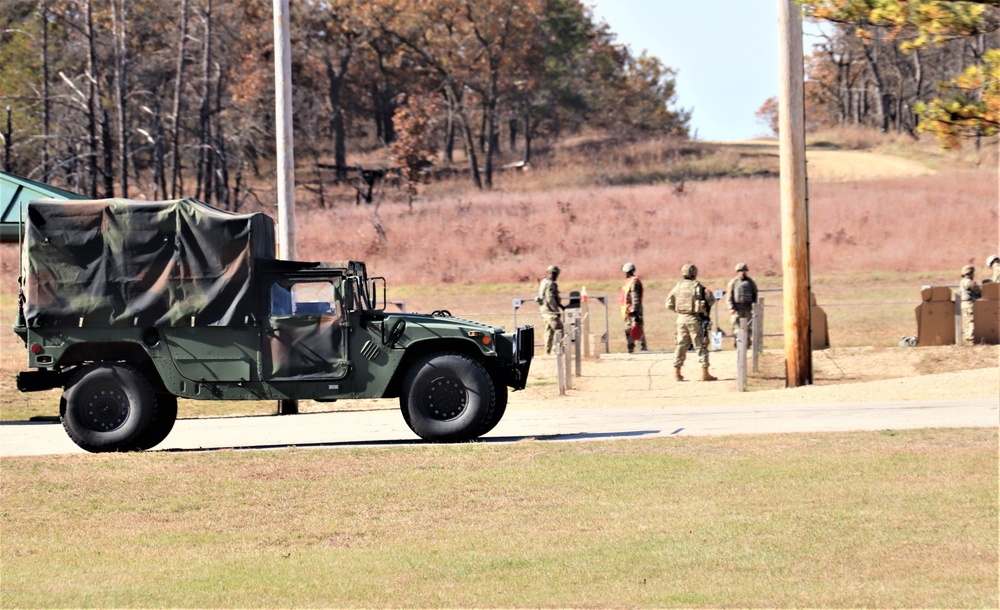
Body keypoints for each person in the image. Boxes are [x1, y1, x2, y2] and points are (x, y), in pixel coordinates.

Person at [665, 263, 717, 381]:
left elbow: (668, 304)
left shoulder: (677, 287)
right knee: (701, 345)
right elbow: (711, 300)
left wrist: (679, 311)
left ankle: (677, 373)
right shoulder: (699, 287)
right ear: (694, 274)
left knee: (681, 345)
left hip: (681, 320)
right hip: (695, 320)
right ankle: (705, 373)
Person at [726, 262, 758, 346]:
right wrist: (731, 307)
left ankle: (747, 343)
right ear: (737, 272)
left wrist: (754, 307)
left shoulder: (750, 282)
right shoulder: (733, 282)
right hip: (737, 309)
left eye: (744, 271)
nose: (742, 272)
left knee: (748, 327)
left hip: (747, 308)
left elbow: (755, 295)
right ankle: (738, 344)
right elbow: (729, 296)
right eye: (740, 271)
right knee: (737, 327)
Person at [537, 264, 565, 354]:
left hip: (544, 310)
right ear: (553, 273)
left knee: (549, 330)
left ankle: (547, 352)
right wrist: (556, 311)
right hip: (549, 311)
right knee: (559, 328)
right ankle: (556, 350)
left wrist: (561, 306)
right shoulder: (550, 284)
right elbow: (550, 299)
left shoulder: (544, 282)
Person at [620, 262, 647, 353]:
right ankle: (630, 349)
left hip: (634, 310)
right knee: (629, 329)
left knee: (637, 329)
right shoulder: (629, 281)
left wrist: (634, 311)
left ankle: (643, 350)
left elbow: (635, 297)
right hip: (628, 310)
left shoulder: (634, 282)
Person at [959, 264, 981, 344]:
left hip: (965, 304)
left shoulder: (963, 281)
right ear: (970, 273)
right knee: (971, 321)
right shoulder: (968, 281)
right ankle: (971, 339)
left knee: (968, 321)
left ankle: (968, 338)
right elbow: (977, 290)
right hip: (969, 304)